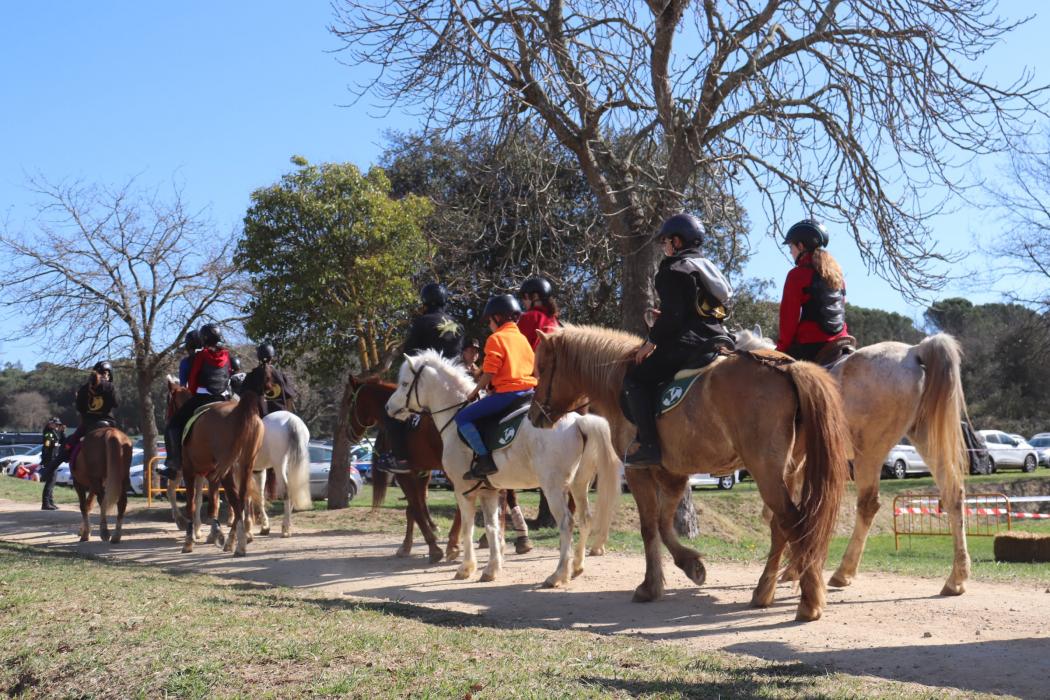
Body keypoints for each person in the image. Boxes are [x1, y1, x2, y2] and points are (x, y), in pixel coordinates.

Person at [623, 213, 733, 468]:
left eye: (665, 241)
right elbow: (698, 310)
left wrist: (650, 342)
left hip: (689, 343)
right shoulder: (708, 269)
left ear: (677, 241)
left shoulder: (671, 269)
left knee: (635, 380)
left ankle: (649, 446)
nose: (664, 247)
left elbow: (673, 315)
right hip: (719, 338)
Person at [378, 282, 464, 474]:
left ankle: (400, 458)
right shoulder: (458, 325)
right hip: (453, 383)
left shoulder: (422, 322)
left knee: (391, 413)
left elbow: (411, 355)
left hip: (427, 382)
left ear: (426, 302)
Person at [455, 294, 538, 480]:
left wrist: (474, 392)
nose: (489, 325)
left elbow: (490, 371)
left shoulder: (496, 338)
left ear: (497, 317)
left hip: (508, 395)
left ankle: (485, 460)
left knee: (462, 417)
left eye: (489, 320)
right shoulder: (523, 339)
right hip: (529, 393)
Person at [37, 363, 120, 509]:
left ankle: (47, 470)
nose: (106, 375)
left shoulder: (84, 389)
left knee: (69, 444)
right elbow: (116, 404)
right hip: (108, 423)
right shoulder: (110, 387)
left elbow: (80, 409)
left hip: (89, 424)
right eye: (106, 373)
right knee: (120, 443)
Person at [156, 323, 233, 480]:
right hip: (224, 397)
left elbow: (190, 382)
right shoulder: (226, 355)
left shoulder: (199, 357)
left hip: (202, 397)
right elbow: (228, 375)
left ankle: (174, 464)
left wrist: (193, 390)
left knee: (173, 425)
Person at [775, 219, 850, 361]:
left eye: (791, 246)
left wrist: (781, 349)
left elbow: (788, 319)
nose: (790, 251)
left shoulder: (797, 275)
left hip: (811, 345)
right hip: (842, 342)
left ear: (801, 246)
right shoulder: (838, 276)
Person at [242, 342, 297, 414]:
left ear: (258, 357)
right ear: (272, 358)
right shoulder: (281, 376)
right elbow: (289, 397)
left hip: (260, 418)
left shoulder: (250, 377)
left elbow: (243, 398)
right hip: (282, 414)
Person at [517, 276, 559, 349]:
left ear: (535, 296)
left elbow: (516, 345)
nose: (522, 301)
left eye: (524, 296)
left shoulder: (529, 317)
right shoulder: (555, 322)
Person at [38, 418, 64, 510]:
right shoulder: (48, 433)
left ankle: (50, 502)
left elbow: (62, 441)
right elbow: (48, 445)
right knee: (50, 481)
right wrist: (55, 443)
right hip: (50, 460)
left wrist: (62, 432)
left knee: (52, 482)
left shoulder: (54, 432)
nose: (57, 426)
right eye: (56, 424)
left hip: (54, 460)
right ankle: (45, 503)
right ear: (50, 424)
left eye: (58, 425)